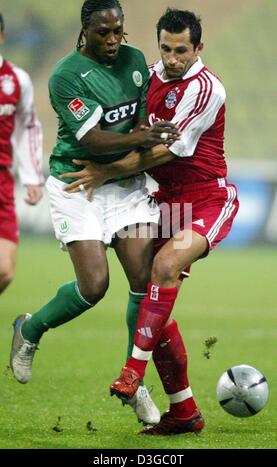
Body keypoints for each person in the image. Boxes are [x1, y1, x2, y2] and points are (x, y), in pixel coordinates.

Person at [62, 9, 239, 435]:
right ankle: (184, 412)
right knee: (149, 296)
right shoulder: (148, 75)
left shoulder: (206, 88)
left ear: (199, 47)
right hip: (160, 200)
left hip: (205, 199)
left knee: (163, 268)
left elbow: (165, 150)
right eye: (166, 48)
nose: (173, 58)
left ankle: (132, 368)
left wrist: (105, 171)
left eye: (182, 50)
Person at [9, 0, 179, 426]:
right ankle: (30, 330)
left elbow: (137, 118)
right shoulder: (66, 75)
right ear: (85, 30)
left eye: (117, 30)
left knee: (145, 280)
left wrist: (148, 145)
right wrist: (143, 136)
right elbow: (93, 141)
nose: (112, 40)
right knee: (94, 286)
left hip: (122, 186)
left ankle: (133, 381)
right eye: (103, 32)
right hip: (77, 182)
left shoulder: (136, 60)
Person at [0, 12, 43, 295]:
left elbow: (27, 128)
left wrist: (32, 176)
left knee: (4, 271)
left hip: (2, 179)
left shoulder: (17, 80)